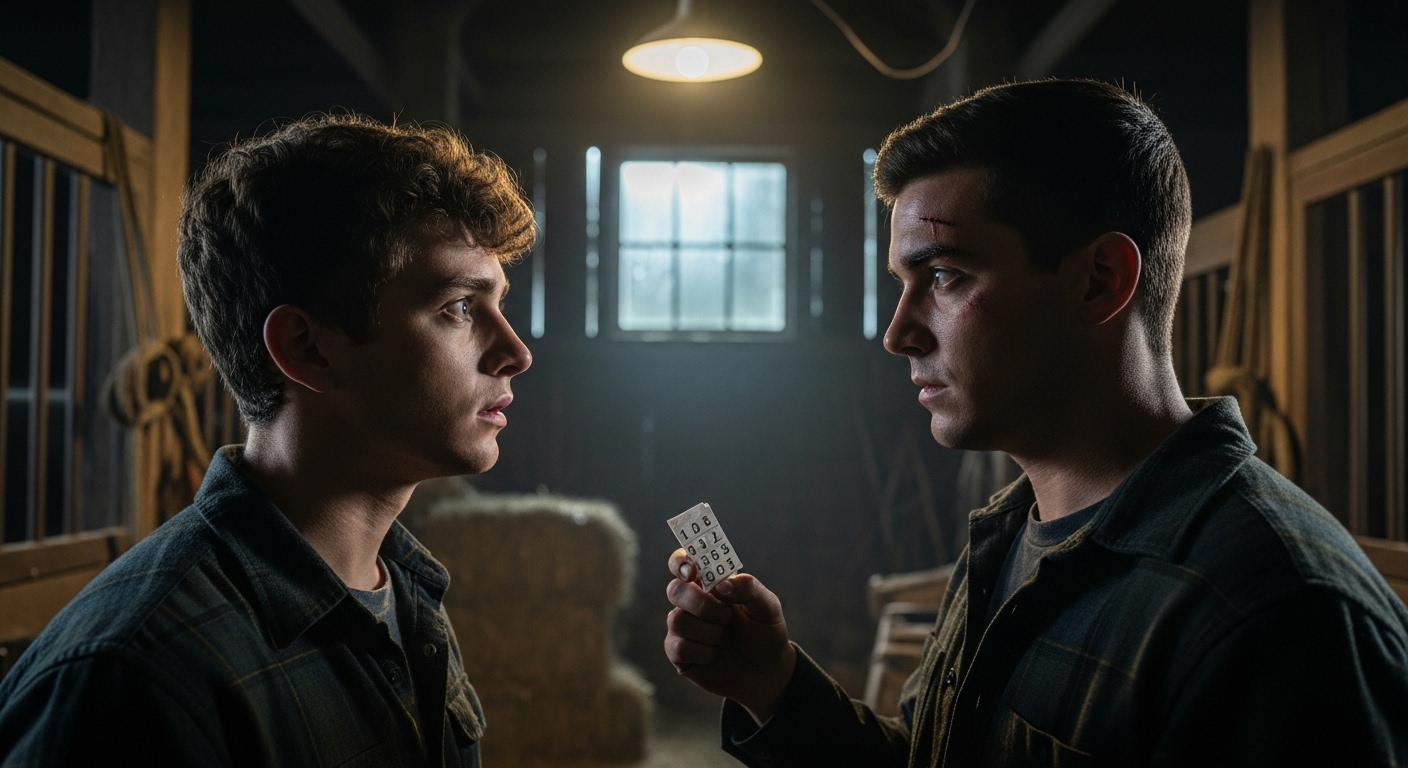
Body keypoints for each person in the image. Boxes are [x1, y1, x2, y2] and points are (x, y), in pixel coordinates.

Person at [663, 80, 1408, 765]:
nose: (898, 333)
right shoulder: (1012, 535)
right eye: (902, 282)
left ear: (1099, 281)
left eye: (946, 275)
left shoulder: (1279, 616)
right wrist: (774, 684)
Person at [0, 114, 534, 766]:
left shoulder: (401, 594)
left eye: (498, 303)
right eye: (457, 306)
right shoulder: (132, 680)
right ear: (306, 349)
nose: (515, 352)